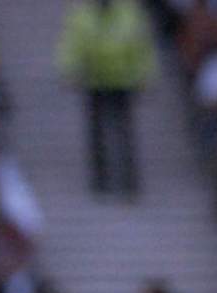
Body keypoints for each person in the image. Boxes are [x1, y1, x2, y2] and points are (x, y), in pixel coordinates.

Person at [57, 0, 158, 196]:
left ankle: (130, 181)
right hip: (95, 81)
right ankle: (101, 180)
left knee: (124, 132)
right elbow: (71, 45)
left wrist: (145, 74)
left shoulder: (130, 13)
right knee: (97, 134)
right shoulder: (82, 16)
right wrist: (69, 70)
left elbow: (142, 46)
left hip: (123, 81)